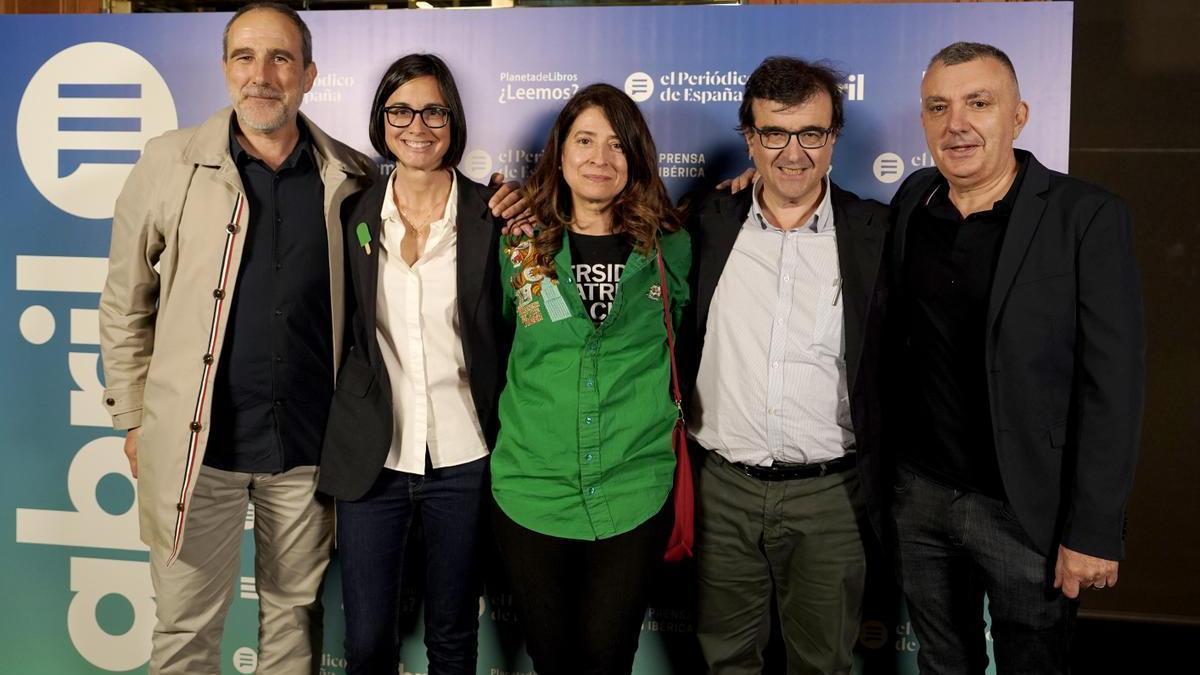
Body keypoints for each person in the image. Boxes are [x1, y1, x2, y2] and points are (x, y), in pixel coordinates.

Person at [98, 3, 374, 672]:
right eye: (244, 58)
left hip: (308, 451)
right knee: (186, 630)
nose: (261, 76)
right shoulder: (169, 162)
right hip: (201, 450)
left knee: (292, 628)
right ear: (225, 70)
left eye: (280, 58)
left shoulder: (352, 176)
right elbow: (124, 298)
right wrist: (134, 418)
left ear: (308, 74)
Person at [889, 42, 1144, 674]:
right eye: (939, 107)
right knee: (944, 665)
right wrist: (763, 174)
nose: (957, 124)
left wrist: (1092, 530)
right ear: (923, 120)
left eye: (980, 103)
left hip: (1029, 509)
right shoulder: (912, 202)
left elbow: (1114, 384)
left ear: (1019, 115)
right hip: (921, 497)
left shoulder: (1085, 216)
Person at [684, 56, 890, 675]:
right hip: (723, 490)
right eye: (775, 132)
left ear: (834, 138)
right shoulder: (707, 222)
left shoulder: (878, 231)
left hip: (832, 496)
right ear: (750, 137)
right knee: (726, 661)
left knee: (823, 663)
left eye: (812, 133)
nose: (793, 152)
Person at [316, 53, 512, 675]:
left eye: (434, 110)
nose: (418, 124)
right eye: (401, 110)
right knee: (369, 640)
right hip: (374, 459)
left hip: (466, 454)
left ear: (454, 118)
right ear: (382, 120)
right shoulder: (352, 214)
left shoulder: (496, 216)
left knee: (452, 635)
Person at [489, 83, 691, 675]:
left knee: (608, 658)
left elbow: (686, 335)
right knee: (552, 659)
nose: (600, 158)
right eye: (584, 140)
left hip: (633, 486)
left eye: (616, 145)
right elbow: (502, 338)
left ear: (636, 159)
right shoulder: (520, 241)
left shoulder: (668, 245)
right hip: (533, 488)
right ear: (560, 152)